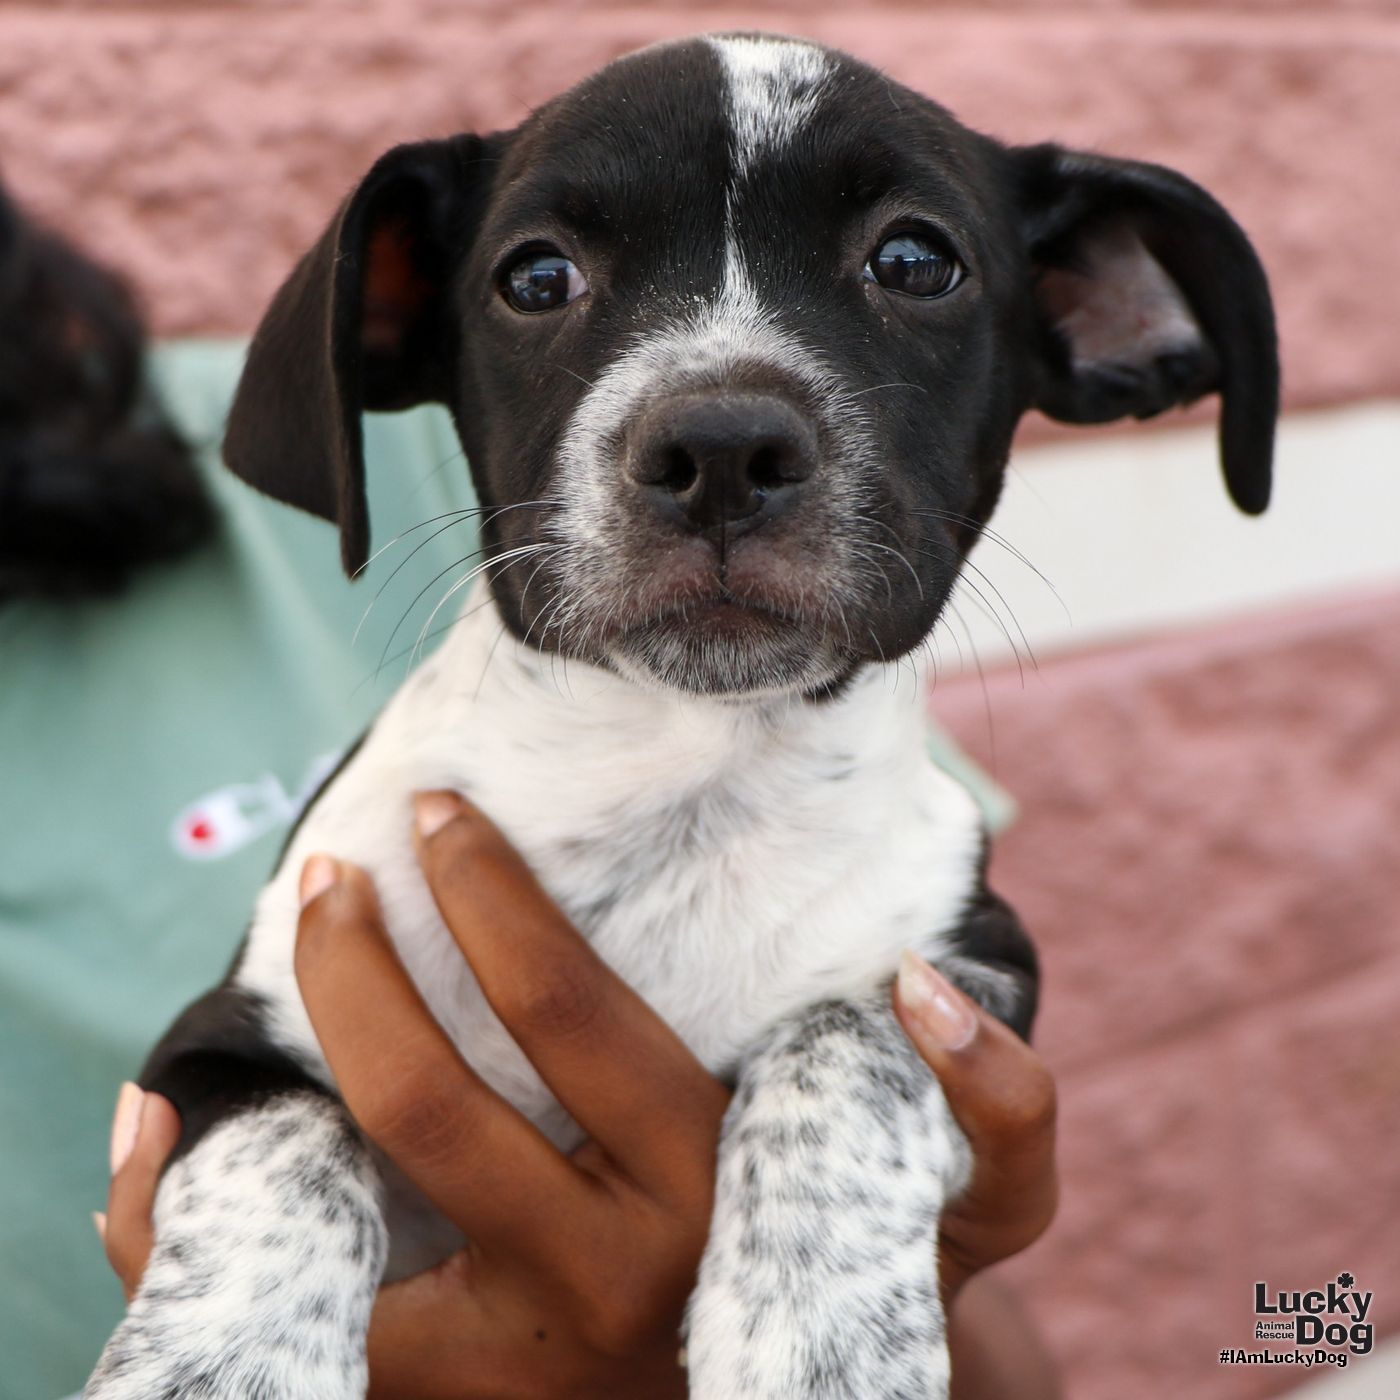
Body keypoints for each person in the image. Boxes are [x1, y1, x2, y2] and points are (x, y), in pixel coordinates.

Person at [1, 203, 1056, 1397]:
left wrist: (876, 1253)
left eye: (908, 266)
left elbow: (930, 1010)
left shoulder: (422, 442)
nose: (708, 433)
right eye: (543, 277)